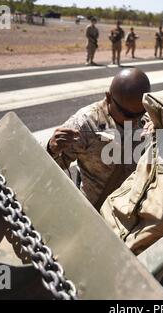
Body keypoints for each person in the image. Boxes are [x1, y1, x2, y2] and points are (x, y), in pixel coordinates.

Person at [47, 68, 151, 210]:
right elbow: (52, 166)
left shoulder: (145, 118)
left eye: (141, 112)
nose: (135, 120)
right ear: (109, 98)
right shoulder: (86, 123)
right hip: (94, 210)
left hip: (130, 209)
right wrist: (51, 149)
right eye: (128, 114)